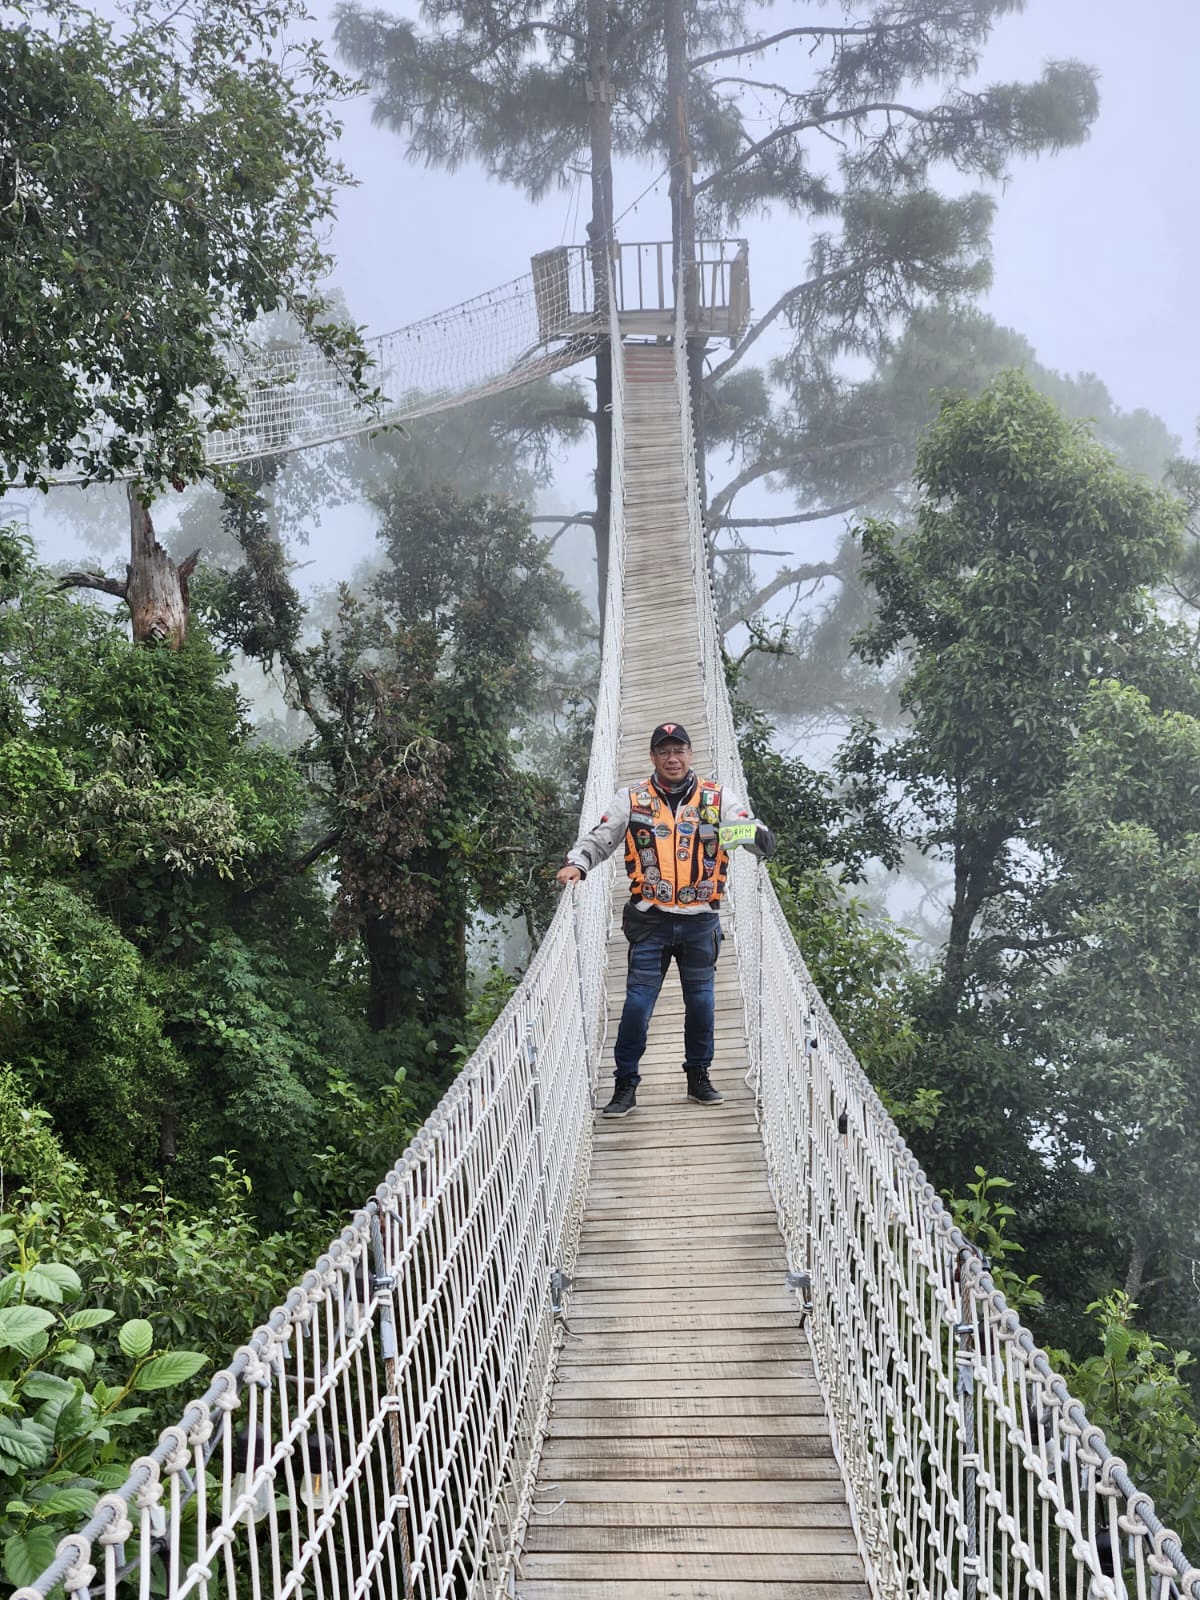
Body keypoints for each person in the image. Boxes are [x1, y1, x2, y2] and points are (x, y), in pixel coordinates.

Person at [556, 722, 774, 1117]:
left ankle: (698, 1077)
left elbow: (754, 834)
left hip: (700, 922)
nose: (672, 759)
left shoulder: (717, 798)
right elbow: (602, 837)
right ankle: (625, 1085)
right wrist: (578, 864)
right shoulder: (632, 798)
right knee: (637, 1005)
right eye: (664, 752)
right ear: (653, 757)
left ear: (690, 754)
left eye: (679, 751)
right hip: (650, 921)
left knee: (702, 1004)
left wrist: (754, 835)